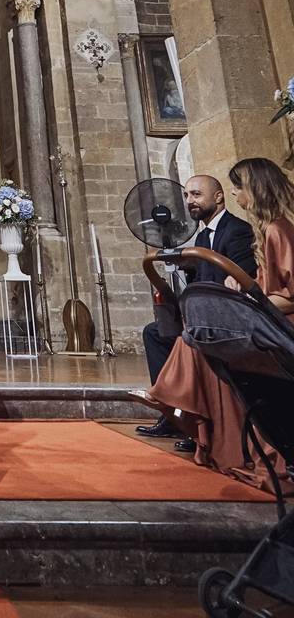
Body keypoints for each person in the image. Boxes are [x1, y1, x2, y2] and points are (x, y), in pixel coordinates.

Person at [136, 158, 294, 492]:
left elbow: (286, 296)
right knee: (180, 334)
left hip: (279, 327)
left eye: (238, 186)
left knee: (197, 339)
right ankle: (177, 408)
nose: (237, 193)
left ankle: (171, 401)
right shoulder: (266, 229)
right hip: (259, 316)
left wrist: (251, 296)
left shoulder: (274, 230)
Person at [136, 174, 257, 452]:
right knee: (156, 333)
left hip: (228, 317)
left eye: (196, 194)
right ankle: (170, 413)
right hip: (204, 315)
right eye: (187, 196)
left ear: (218, 197)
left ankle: (187, 416)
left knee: (186, 337)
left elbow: (240, 275)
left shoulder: (236, 230)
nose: (190, 201)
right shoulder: (201, 236)